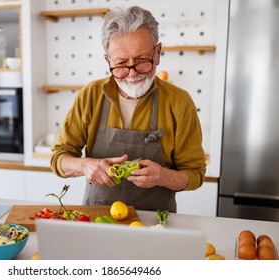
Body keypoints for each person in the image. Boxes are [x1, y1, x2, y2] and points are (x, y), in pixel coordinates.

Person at [50, 6, 206, 212]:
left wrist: (164, 176)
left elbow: (196, 173)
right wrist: (86, 166)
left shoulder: (179, 102)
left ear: (157, 53)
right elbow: (59, 158)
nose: (132, 74)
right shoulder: (91, 95)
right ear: (108, 61)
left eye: (142, 60)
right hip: (97, 217)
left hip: (155, 222)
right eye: (122, 63)